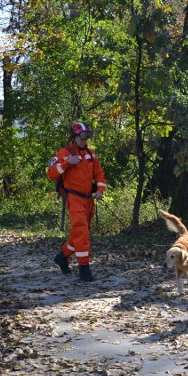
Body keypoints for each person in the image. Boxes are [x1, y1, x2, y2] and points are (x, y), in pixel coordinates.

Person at [47, 121, 108, 282]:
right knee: (81, 232)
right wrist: (68, 163)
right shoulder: (64, 153)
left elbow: (100, 175)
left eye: (87, 135)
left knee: (79, 233)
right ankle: (84, 268)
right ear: (75, 136)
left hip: (89, 200)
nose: (85, 138)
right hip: (74, 198)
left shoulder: (91, 154)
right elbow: (51, 174)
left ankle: (62, 256)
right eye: (82, 135)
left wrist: (100, 191)